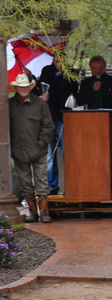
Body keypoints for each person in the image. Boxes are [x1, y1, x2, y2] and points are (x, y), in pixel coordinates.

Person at [76, 55, 112, 196]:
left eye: (100, 68)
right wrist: (92, 90)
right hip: (93, 127)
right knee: (95, 157)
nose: (97, 71)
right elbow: (80, 100)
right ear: (90, 69)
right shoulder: (86, 83)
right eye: (94, 68)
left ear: (104, 68)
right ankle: (97, 185)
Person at [9, 74, 55, 223]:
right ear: (16, 88)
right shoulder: (8, 105)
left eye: (26, 86)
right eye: (21, 86)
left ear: (30, 87)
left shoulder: (40, 104)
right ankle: (32, 212)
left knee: (42, 181)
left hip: (39, 151)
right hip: (19, 151)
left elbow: (48, 126)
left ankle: (44, 212)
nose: (23, 89)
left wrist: (40, 144)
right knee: (25, 183)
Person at [35, 57, 78, 196]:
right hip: (48, 117)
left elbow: (71, 91)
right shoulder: (47, 71)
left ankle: (71, 185)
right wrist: (31, 77)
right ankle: (52, 186)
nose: (59, 63)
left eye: (61, 60)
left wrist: (51, 95)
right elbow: (39, 89)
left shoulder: (70, 73)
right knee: (49, 154)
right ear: (53, 60)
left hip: (63, 116)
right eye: (56, 60)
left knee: (68, 153)